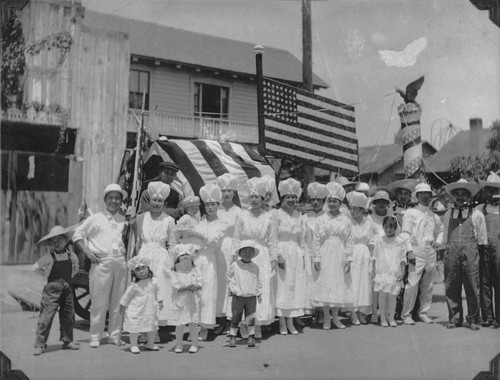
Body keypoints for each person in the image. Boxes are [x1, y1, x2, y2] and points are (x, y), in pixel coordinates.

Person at [73, 184, 129, 348]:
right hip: (101, 262)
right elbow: (78, 234)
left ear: (121, 201)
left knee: (118, 301)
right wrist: (88, 252)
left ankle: (114, 335)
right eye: (111, 198)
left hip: (120, 262)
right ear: (105, 200)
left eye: (117, 198)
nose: (114, 201)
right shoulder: (96, 218)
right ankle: (95, 336)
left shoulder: (123, 220)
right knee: (99, 301)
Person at [232, 176, 279, 338]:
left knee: (260, 290)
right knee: (245, 289)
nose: (254, 200)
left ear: (262, 198)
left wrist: (274, 258)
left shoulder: (269, 217)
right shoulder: (242, 215)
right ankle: (245, 325)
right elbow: (236, 237)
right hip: (245, 254)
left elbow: (273, 240)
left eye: (257, 197)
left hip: (262, 256)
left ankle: (257, 325)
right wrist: (234, 257)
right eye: (251, 197)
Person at [179, 183, 226, 341]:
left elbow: (213, 241)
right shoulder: (200, 220)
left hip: (209, 259)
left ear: (218, 205)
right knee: (194, 293)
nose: (210, 207)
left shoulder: (221, 223)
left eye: (213, 204)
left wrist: (194, 233)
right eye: (207, 204)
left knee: (207, 294)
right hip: (196, 259)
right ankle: (194, 326)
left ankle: (205, 327)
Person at [442, 179, 487, 330]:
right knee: (451, 285)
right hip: (452, 252)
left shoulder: (477, 214)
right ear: (453, 196)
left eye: (463, 194)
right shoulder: (448, 214)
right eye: (457, 194)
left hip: (470, 253)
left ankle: (474, 318)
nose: (460, 197)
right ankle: (455, 318)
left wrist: (477, 256)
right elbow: (444, 234)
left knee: (472, 285)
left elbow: (481, 238)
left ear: (469, 197)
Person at [133, 181, 176, 330]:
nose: (156, 203)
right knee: (145, 291)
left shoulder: (169, 220)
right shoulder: (141, 218)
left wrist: (169, 263)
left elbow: (172, 244)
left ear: (164, 203)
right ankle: (144, 327)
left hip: (161, 258)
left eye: (160, 201)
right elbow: (137, 241)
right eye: (154, 200)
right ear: (149, 200)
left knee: (160, 291)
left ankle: (157, 327)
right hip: (145, 256)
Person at [311, 181, 354, 330]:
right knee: (325, 283)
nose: (332, 204)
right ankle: (326, 319)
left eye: (335, 201)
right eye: (330, 201)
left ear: (340, 203)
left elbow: (349, 240)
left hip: (340, 254)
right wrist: (316, 258)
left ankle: (335, 318)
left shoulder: (346, 220)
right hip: (325, 253)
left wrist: (349, 258)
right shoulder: (320, 219)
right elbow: (315, 240)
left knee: (337, 284)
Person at [32, 225, 80, 355]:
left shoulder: (72, 256)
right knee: (46, 317)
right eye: (53, 241)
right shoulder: (48, 257)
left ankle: (68, 340)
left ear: (66, 240)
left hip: (67, 291)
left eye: (59, 240)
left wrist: (69, 279)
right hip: (51, 292)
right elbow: (35, 267)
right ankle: (40, 344)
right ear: (49, 244)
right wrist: (45, 274)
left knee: (68, 316)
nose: (56, 243)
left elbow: (75, 268)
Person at [400, 183, 443, 325]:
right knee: (412, 283)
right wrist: (409, 251)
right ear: (417, 196)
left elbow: (441, 230)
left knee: (428, 284)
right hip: (416, 250)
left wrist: (438, 241)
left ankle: (423, 312)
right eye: (422, 194)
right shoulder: (410, 213)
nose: (425, 196)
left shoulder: (433, 216)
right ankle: (406, 314)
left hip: (430, 251)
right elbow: (405, 233)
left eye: (427, 194)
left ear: (431, 196)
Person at [274, 178, 307, 335]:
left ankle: (291, 321)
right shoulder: (276, 215)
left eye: (294, 197)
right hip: (282, 250)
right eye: (288, 197)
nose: (291, 200)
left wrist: (302, 256)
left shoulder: (299, 215)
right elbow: (273, 237)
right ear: (282, 198)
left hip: (295, 252)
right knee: (282, 286)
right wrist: (278, 255)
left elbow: (302, 239)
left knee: (293, 285)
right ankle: (282, 322)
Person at [119, 256, 163, 354]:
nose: (141, 272)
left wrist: (160, 301)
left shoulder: (154, 282)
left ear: (148, 268)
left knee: (151, 326)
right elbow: (126, 296)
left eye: (143, 268)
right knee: (134, 327)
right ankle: (134, 345)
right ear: (134, 273)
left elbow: (159, 292)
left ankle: (150, 343)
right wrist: (122, 305)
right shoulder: (134, 285)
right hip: (136, 309)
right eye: (137, 270)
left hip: (150, 308)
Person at [372, 216, 410, 327]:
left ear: (395, 227)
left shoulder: (400, 241)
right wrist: (374, 272)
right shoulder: (379, 240)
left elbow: (403, 258)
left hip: (394, 271)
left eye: (391, 227)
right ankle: (383, 318)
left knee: (393, 296)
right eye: (386, 227)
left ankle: (391, 318)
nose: (388, 230)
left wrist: (402, 272)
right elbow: (374, 257)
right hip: (382, 271)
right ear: (383, 227)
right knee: (382, 295)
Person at [216, 173, 242, 334]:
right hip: (217, 249)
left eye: (229, 191)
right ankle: (219, 318)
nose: (226, 194)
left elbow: (239, 234)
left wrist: (236, 252)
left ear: (234, 193)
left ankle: (231, 319)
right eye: (223, 191)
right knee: (218, 283)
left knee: (231, 283)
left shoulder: (238, 211)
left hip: (232, 248)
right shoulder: (215, 209)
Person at [168, 244, 204, 354]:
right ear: (178, 258)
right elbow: (175, 286)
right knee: (180, 324)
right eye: (182, 255)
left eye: (187, 255)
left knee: (193, 323)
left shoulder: (195, 269)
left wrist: (196, 286)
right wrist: (185, 287)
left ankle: (194, 344)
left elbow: (201, 281)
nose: (185, 257)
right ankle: (179, 344)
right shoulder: (175, 271)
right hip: (180, 301)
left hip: (193, 300)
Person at [226, 240, 262, 348]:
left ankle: (251, 337)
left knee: (250, 317)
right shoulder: (235, 265)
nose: (247, 254)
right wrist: (233, 288)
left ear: (253, 254)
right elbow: (228, 276)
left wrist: (259, 293)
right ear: (240, 253)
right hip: (239, 296)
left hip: (251, 296)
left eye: (250, 252)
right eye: (244, 252)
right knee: (236, 317)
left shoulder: (255, 267)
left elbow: (259, 281)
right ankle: (233, 337)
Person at [346, 191, 374, 325]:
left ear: (362, 210)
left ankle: (361, 311)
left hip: (364, 254)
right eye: (351, 208)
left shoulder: (368, 222)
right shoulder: (348, 223)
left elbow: (372, 241)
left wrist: (372, 258)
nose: (352, 211)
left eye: (355, 209)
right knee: (353, 282)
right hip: (352, 253)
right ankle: (352, 312)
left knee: (364, 283)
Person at [304, 182, 329, 323]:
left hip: (324, 254)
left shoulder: (327, 217)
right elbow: (303, 238)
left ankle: (323, 311)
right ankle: (314, 310)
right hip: (309, 253)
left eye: (318, 200)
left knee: (322, 281)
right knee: (311, 282)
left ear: (323, 201)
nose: (315, 202)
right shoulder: (305, 218)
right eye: (313, 200)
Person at [477, 172, 500, 327]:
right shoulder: (480, 208)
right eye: (490, 189)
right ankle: (487, 317)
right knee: (484, 282)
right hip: (484, 248)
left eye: (496, 189)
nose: (493, 192)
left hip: (499, 248)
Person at [369, 188, 394, 323]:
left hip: (389, 253)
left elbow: (397, 235)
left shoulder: (392, 218)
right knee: (375, 284)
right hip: (374, 252)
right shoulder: (369, 219)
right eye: (378, 202)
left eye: (384, 202)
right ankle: (374, 312)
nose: (381, 205)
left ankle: (387, 312)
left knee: (388, 283)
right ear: (374, 203)